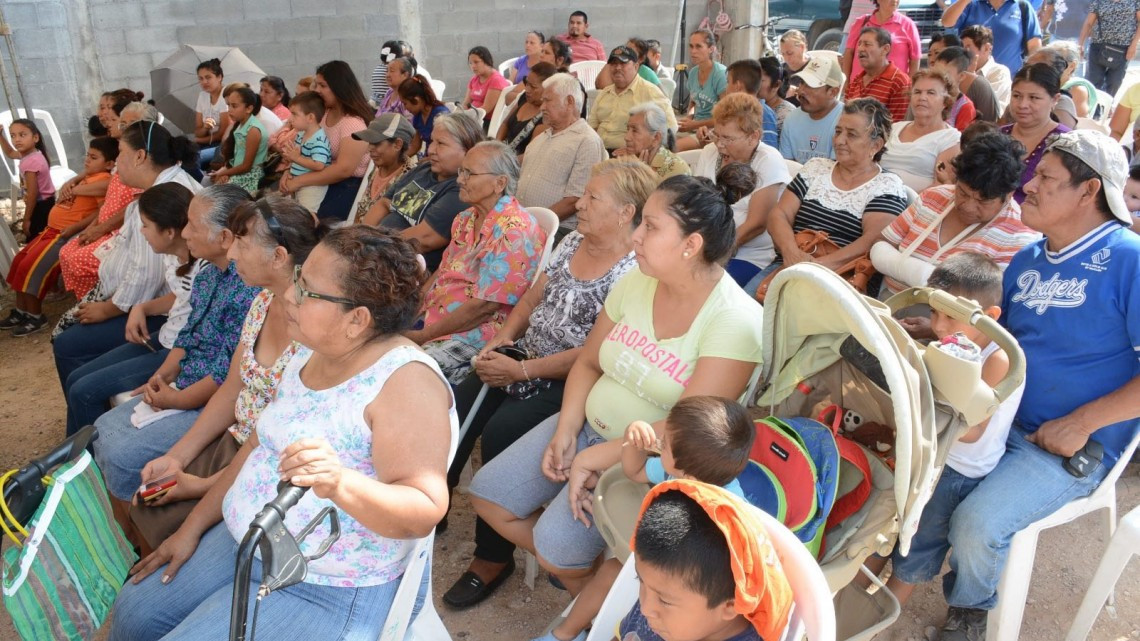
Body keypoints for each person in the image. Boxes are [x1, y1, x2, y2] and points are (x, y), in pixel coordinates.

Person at [106, 225, 455, 641]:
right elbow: (257, 445)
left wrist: (341, 483)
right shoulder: (310, 350)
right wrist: (192, 527)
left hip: (325, 584)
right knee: (134, 614)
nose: (289, 295)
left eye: (307, 290)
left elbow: (424, 506)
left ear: (357, 319)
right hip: (248, 538)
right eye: (298, 281)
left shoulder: (406, 384)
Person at [471, 174, 765, 599]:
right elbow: (590, 361)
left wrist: (596, 456)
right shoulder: (639, 280)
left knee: (555, 552)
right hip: (588, 427)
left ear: (691, 244)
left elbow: (685, 429)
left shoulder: (735, 322)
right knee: (489, 496)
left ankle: (596, 596)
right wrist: (568, 428)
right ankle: (600, 586)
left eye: (650, 226)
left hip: (645, 460)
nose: (637, 237)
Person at [928, 129, 1140, 641]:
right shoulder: (1025, 260)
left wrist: (1082, 422)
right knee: (910, 473)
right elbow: (994, 337)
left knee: (977, 524)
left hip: (1069, 443)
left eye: (1045, 177)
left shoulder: (1128, 257)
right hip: (998, 420)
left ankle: (969, 614)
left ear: (1089, 192)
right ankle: (905, 580)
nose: (1028, 186)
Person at [440, 159, 653, 610]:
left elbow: (597, 353)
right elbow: (534, 294)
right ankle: (433, 504)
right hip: (526, 354)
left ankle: (492, 558)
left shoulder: (635, 270)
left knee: (501, 432)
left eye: (593, 197)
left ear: (624, 212)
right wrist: (504, 338)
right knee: (455, 406)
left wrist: (523, 371)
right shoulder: (574, 239)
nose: (580, 203)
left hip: (567, 376)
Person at [128, 196, 324, 551]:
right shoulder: (263, 301)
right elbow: (232, 389)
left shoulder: (314, 330)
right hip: (236, 444)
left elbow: (281, 444)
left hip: (271, 470)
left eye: (242, 244)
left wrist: (203, 486)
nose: (231, 255)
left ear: (279, 257)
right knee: (144, 504)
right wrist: (178, 457)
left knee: (171, 527)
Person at [873, 253, 1024, 612]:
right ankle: (857, 585)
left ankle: (882, 610)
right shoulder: (954, 343)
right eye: (935, 313)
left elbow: (971, 432)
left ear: (989, 319)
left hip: (957, 468)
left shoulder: (998, 360)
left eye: (950, 318)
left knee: (919, 539)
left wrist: (916, 418)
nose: (938, 326)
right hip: (929, 449)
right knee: (883, 518)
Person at [91, 185, 261, 505]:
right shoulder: (209, 274)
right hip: (184, 386)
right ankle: (129, 523)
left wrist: (179, 400)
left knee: (122, 455)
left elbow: (227, 372)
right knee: (101, 429)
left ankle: (138, 523)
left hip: (204, 399)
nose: (185, 232)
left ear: (225, 237)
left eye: (193, 226)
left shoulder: (249, 288)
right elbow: (189, 334)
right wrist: (163, 376)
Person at [538, 396, 756, 641]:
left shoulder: (731, 514)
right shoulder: (675, 473)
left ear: (684, 466)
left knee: (616, 575)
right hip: (660, 570)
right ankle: (565, 634)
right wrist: (633, 442)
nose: (659, 443)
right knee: (611, 571)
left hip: (690, 589)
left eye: (664, 445)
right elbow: (635, 471)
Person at [54, 122, 202, 436]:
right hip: (160, 323)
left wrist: (115, 308)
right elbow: (182, 294)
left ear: (140, 156)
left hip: (169, 336)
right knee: (78, 379)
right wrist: (141, 308)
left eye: (120, 153)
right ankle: (85, 438)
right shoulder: (161, 204)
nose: (116, 162)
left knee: (79, 373)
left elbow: (192, 325)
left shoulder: (173, 216)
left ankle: (88, 453)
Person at [408, 141, 548, 384]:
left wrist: (421, 336)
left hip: (473, 333)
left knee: (408, 371)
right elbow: (444, 270)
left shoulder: (514, 231)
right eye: (461, 171)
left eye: (468, 173)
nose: (460, 179)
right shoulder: (465, 219)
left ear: (499, 183)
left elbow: (483, 308)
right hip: (435, 317)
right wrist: (414, 308)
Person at [611, 482, 793, 641]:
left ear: (730, 606)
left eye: (665, 601)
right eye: (640, 580)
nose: (645, 608)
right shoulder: (661, 597)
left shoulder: (662, 604)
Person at [762, 99, 909, 294]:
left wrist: (817, 267)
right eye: (838, 131)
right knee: (745, 316)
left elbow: (874, 241)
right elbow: (779, 214)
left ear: (876, 144)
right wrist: (790, 252)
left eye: (852, 134)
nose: (839, 140)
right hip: (789, 264)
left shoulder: (887, 186)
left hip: (843, 280)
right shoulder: (816, 168)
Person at [873, 131, 1039, 296]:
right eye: (963, 193)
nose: (968, 207)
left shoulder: (1019, 235)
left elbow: (990, 301)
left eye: (983, 201)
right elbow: (883, 243)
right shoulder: (933, 197)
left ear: (1008, 195)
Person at [2, 138, 115, 336]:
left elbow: (101, 212)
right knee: (20, 262)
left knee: (33, 270)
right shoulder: (86, 177)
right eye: (87, 155)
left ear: (109, 164)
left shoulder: (101, 180)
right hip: (50, 230)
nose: (87, 160)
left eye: (93, 157)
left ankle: (35, 317)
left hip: (62, 234)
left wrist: (76, 228)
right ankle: (21, 311)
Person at [362, 112, 482, 272]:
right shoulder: (424, 169)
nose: (431, 149)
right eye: (432, 141)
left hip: (401, 267)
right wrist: (361, 238)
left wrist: (371, 246)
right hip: (377, 251)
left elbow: (425, 239)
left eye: (441, 143)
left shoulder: (461, 189)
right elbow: (384, 203)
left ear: (468, 151)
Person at [692, 93, 791, 286]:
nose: (719, 145)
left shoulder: (768, 160)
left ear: (753, 136)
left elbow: (757, 224)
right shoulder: (710, 152)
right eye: (716, 135)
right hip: (705, 247)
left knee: (703, 286)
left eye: (728, 138)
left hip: (750, 255)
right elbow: (697, 204)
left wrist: (713, 255)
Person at [59, 104, 149, 298]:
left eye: (131, 123)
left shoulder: (141, 162)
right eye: (122, 123)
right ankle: (85, 301)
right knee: (67, 252)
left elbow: (133, 207)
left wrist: (99, 229)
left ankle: (98, 301)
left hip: (121, 232)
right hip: (106, 226)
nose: (124, 128)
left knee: (79, 260)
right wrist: (91, 228)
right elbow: (108, 203)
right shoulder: (121, 156)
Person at [277, 61, 373, 220]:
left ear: (339, 87)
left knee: (301, 221)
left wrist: (299, 181)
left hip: (345, 185)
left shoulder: (353, 124)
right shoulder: (324, 114)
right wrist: (290, 172)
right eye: (317, 85)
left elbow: (344, 170)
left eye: (323, 86)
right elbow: (304, 148)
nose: (317, 90)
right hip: (316, 177)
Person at [517, 73, 608, 233]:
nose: (542, 107)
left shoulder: (586, 141)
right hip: (523, 225)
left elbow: (575, 199)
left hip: (556, 229)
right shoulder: (543, 136)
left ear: (569, 102)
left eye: (547, 100)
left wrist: (533, 224)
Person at [880, 70, 963, 191]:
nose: (922, 98)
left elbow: (941, 186)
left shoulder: (950, 139)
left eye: (931, 93)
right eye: (917, 92)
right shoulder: (894, 128)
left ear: (946, 102)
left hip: (915, 205)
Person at [1001, 63, 1071, 204]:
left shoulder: (1066, 144)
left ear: (1055, 99)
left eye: (1034, 98)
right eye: (1017, 96)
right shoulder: (998, 136)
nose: (1022, 104)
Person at [589, 45, 677, 152]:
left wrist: (637, 151)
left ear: (636, 66)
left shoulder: (650, 92)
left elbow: (671, 128)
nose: (617, 68)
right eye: (613, 64)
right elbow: (591, 128)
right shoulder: (604, 93)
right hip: (599, 151)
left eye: (623, 63)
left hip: (632, 155)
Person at [942, 0, 1042, 75]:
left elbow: (1034, 46)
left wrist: (1029, 73)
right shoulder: (972, 5)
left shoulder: (1022, 7)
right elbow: (946, 22)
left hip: (1010, 81)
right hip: (970, 78)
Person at [351, 113, 417, 225]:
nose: (369, 149)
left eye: (376, 143)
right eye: (370, 143)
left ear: (397, 144)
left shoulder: (412, 180)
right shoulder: (377, 168)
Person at [779, 55, 846, 164]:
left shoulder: (847, 122)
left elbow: (838, 170)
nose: (801, 91)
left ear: (833, 92)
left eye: (811, 85)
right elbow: (788, 167)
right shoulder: (791, 119)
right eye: (801, 83)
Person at [0, 118, 55, 239]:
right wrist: (1, 136)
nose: (17, 139)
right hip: (46, 203)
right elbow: (10, 153)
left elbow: (33, 194)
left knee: (37, 238)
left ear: (35, 138)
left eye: (22, 135)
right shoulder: (32, 153)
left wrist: (26, 220)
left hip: (41, 207)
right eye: (13, 136)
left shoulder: (31, 162)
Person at [845, 26, 912, 122]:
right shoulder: (857, 81)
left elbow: (897, 127)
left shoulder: (899, 82)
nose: (860, 49)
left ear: (885, 49)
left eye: (867, 44)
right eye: (859, 44)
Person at [842, 0, 922, 80]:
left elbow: (915, 59)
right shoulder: (861, 22)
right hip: (859, 87)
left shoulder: (908, 25)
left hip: (894, 88)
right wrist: (845, 82)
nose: (895, 0)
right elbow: (849, 53)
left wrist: (910, 86)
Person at [209, 86, 267, 194]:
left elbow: (246, 166)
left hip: (250, 177)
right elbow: (236, 158)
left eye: (234, 106)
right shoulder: (241, 125)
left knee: (217, 195)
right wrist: (225, 172)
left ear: (248, 108)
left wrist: (223, 174)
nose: (229, 110)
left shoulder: (253, 130)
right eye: (228, 105)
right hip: (238, 171)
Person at [282, 91, 332, 213]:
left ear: (310, 117)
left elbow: (319, 165)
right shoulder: (301, 134)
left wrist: (296, 158)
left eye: (294, 114)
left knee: (306, 214)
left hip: (312, 187)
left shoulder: (318, 140)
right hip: (297, 180)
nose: (290, 119)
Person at [1077, 0, 1140, 97]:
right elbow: (1089, 23)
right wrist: (1080, 44)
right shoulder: (1099, 1)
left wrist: (1134, 45)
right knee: (1093, 81)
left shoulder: (1134, 2)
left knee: (1114, 82)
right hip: (1099, 46)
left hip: (1123, 49)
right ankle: (1091, 107)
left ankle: (1106, 106)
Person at [614, 102, 690, 179]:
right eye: (628, 129)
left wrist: (642, 174)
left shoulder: (676, 169)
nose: (626, 137)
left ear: (656, 138)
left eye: (635, 131)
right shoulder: (626, 159)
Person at [677, 30, 727, 148]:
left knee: (674, 147)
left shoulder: (720, 74)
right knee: (661, 142)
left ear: (711, 49)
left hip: (713, 132)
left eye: (698, 46)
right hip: (695, 127)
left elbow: (725, 117)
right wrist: (688, 117)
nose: (693, 51)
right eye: (691, 46)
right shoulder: (694, 72)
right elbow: (693, 102)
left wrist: (694, 125)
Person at [496, 61, 555, 156]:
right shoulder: (524, 97)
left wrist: (503, 162)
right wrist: (496, 145)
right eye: (526, 83)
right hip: (502, 154)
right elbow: (505, 123)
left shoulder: (546, 116)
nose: (527, 89)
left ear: (547, 89)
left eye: (533, 86)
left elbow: (530, 155)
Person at [934, 46, 1001, 124]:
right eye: (935, 73)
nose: (938, 78)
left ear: (961, 76)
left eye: (945, 74)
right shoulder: (931, 98)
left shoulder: (965, 107)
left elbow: (962, 135)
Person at [723, 60, 780, 148]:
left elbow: (770, 150)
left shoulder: (764, 114)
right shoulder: (733, 111)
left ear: (737, 86)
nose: (726, 88)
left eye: (728, 82)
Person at [960, 25, 1013, 113]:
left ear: (986, 48)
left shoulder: (1000, 72)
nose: (964, 52)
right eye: (963, 47)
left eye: (968, 47)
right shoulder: (962, 70)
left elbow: (984, 104)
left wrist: (970, 77)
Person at [398, 75, 449, 157]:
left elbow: (445, 148)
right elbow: (415, 145)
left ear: (416, 100)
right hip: (429, 158)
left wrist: (424, 162)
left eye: (405, 103)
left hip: (440, 159)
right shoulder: (418, 116)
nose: (405, 108)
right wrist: (401, 159)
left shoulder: (440, 116)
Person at [462, 46, 512, 124]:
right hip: (473, 118)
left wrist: (466, 117)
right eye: (470, 63)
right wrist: (461, 114)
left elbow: (486, 109)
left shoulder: (496, 80)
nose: (473, 66)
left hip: (486, 121)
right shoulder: (474, 79)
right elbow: (466, 103)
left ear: (486, 61)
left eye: (476, 62)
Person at [192, 58, 227, 170]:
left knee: (194, 159)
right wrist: (205, 128)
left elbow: (222, 133)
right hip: (205, 142)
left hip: (221, 145)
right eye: (201, 78)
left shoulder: (226, 95)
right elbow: (198, 130)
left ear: (219, 77)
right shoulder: (203, 96)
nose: (204, 82)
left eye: (208, 77)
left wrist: (199, 140)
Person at [593, 37, 663, 90]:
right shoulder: (615, 68)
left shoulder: (647, 73)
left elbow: (663, 98)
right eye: (625, 49)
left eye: (631, 52)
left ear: (641, 59)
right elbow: (600, 86)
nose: (625, 54)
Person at [758, 56, 795, 136]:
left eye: (760, 80)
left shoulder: (786, 115)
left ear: (776, 84)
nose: (753, 83)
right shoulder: (755, 106)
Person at [778, 30, 811, 104]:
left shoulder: (815, 68)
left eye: (790, 53)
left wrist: (797, 92)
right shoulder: (781, 70)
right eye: (783, 54)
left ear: (802, 47)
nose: (786, 58)